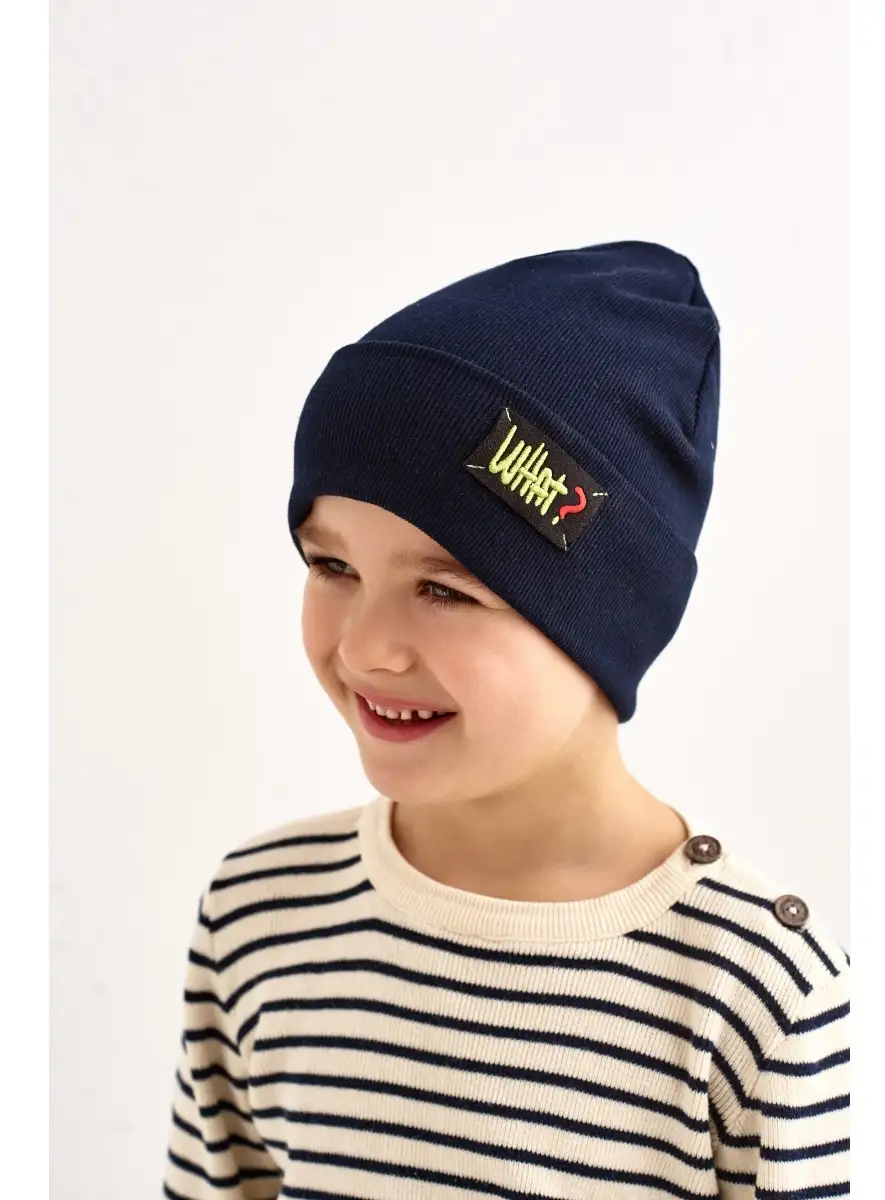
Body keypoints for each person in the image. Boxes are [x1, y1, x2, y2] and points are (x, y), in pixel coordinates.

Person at [162, 241, 849, 1199]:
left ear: (609, 619)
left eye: (446, 590)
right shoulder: (262, 915)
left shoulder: (757, 996)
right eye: (332, 567)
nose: (367, 647)